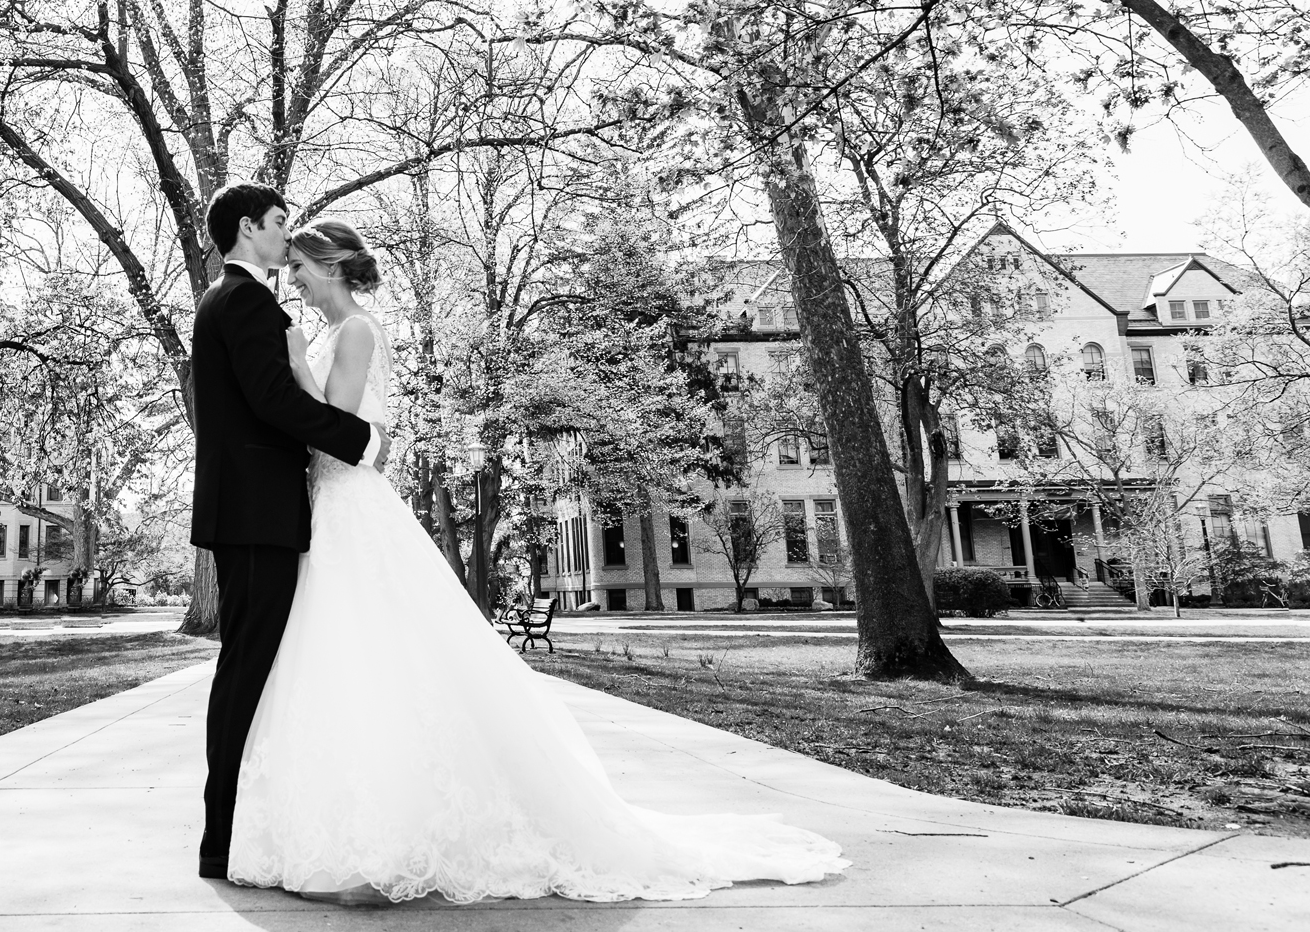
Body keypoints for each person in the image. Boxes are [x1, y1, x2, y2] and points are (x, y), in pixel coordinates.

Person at [226, 217, 850, 904]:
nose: (298, 287)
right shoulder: (326, 331)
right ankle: (342, 829)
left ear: (331, 265)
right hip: (330, 511)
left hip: (351, 505)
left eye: (302, 273)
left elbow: (340, 431)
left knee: (376, 657)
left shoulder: (356, 331)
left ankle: (386, 845)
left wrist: (289, 367)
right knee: (345, 663)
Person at [188, 183, 387, 881]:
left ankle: (228, 832)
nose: (286, 236)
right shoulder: (244, 301)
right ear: (249, 228)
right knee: (246, 669)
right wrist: (360, 440)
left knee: (249, 668)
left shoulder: (233, 300)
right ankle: (220, 838)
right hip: (255, 512)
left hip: (254, 509)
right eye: (278, 223)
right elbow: (274, 400)